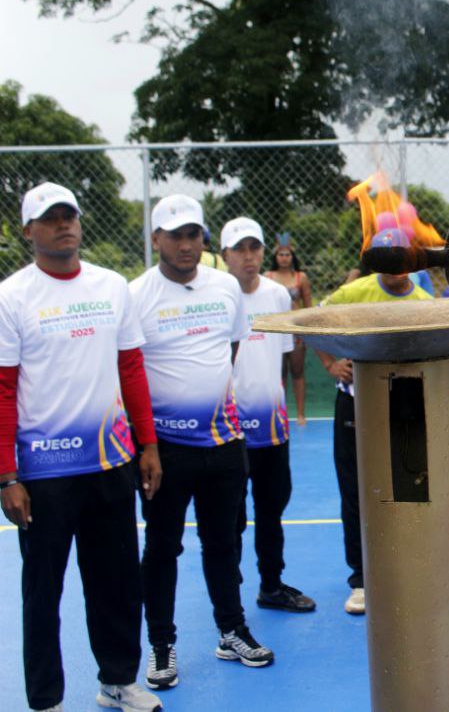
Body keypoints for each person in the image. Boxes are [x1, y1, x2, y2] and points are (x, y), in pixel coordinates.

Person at [0, 183, 164, 712]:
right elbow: (3, 389)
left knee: (116, 581)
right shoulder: (11, 297)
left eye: (68, 215)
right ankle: (46, 700)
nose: (63, 225)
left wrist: (147, 445)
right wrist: (7, 476)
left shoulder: (111, 286)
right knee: (42, 591)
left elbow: (131, 368)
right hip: (43, 474)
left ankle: (117, 681)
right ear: (29, 230)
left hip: (110, 461)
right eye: (50, 218)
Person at [131, 194, 273, 691]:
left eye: (193, 234)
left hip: (224, 443)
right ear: (156, 239)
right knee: (162, 547)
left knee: (223, 541)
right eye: (175, 235)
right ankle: (161, 644)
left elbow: (228, 349)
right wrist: (147, 445)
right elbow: (129, 371)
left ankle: (231, 631)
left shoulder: (226, 287)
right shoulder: (136, 295)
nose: (186, 244)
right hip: (165, 450)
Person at [313, 269, 431, 615]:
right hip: (355, 399)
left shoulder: (424, 302)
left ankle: (410, 573)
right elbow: (312, 321)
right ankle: (362, 580)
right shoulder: (353, 291)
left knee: (411, 488)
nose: (394, 267)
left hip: (405, 399)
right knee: (355, 490)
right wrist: (330, 363)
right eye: (385, 259)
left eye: (401, 259)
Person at [221, 218, 315, 614]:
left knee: (271, 511)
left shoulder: (277, 295)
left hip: (271, 428)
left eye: (254, 247)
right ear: (225, 254)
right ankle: (228, 596)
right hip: (227, 429)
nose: (248, 256)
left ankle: (271, 585)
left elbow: (283, 358)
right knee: (231, 517)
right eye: (239, 249)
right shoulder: (216, 295)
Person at [265, 241, 312, 426]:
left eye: (287, 254)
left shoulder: (301, 277)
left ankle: (300, 414)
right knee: (279, 373)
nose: (284, 258)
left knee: (297, 372)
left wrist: (308, 331)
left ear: (293, 257)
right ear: (275, 257)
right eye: (280, 254)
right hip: (276, 330)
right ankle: (280, 413)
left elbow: (308, 307)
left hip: (296, 331)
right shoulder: (267, 277)